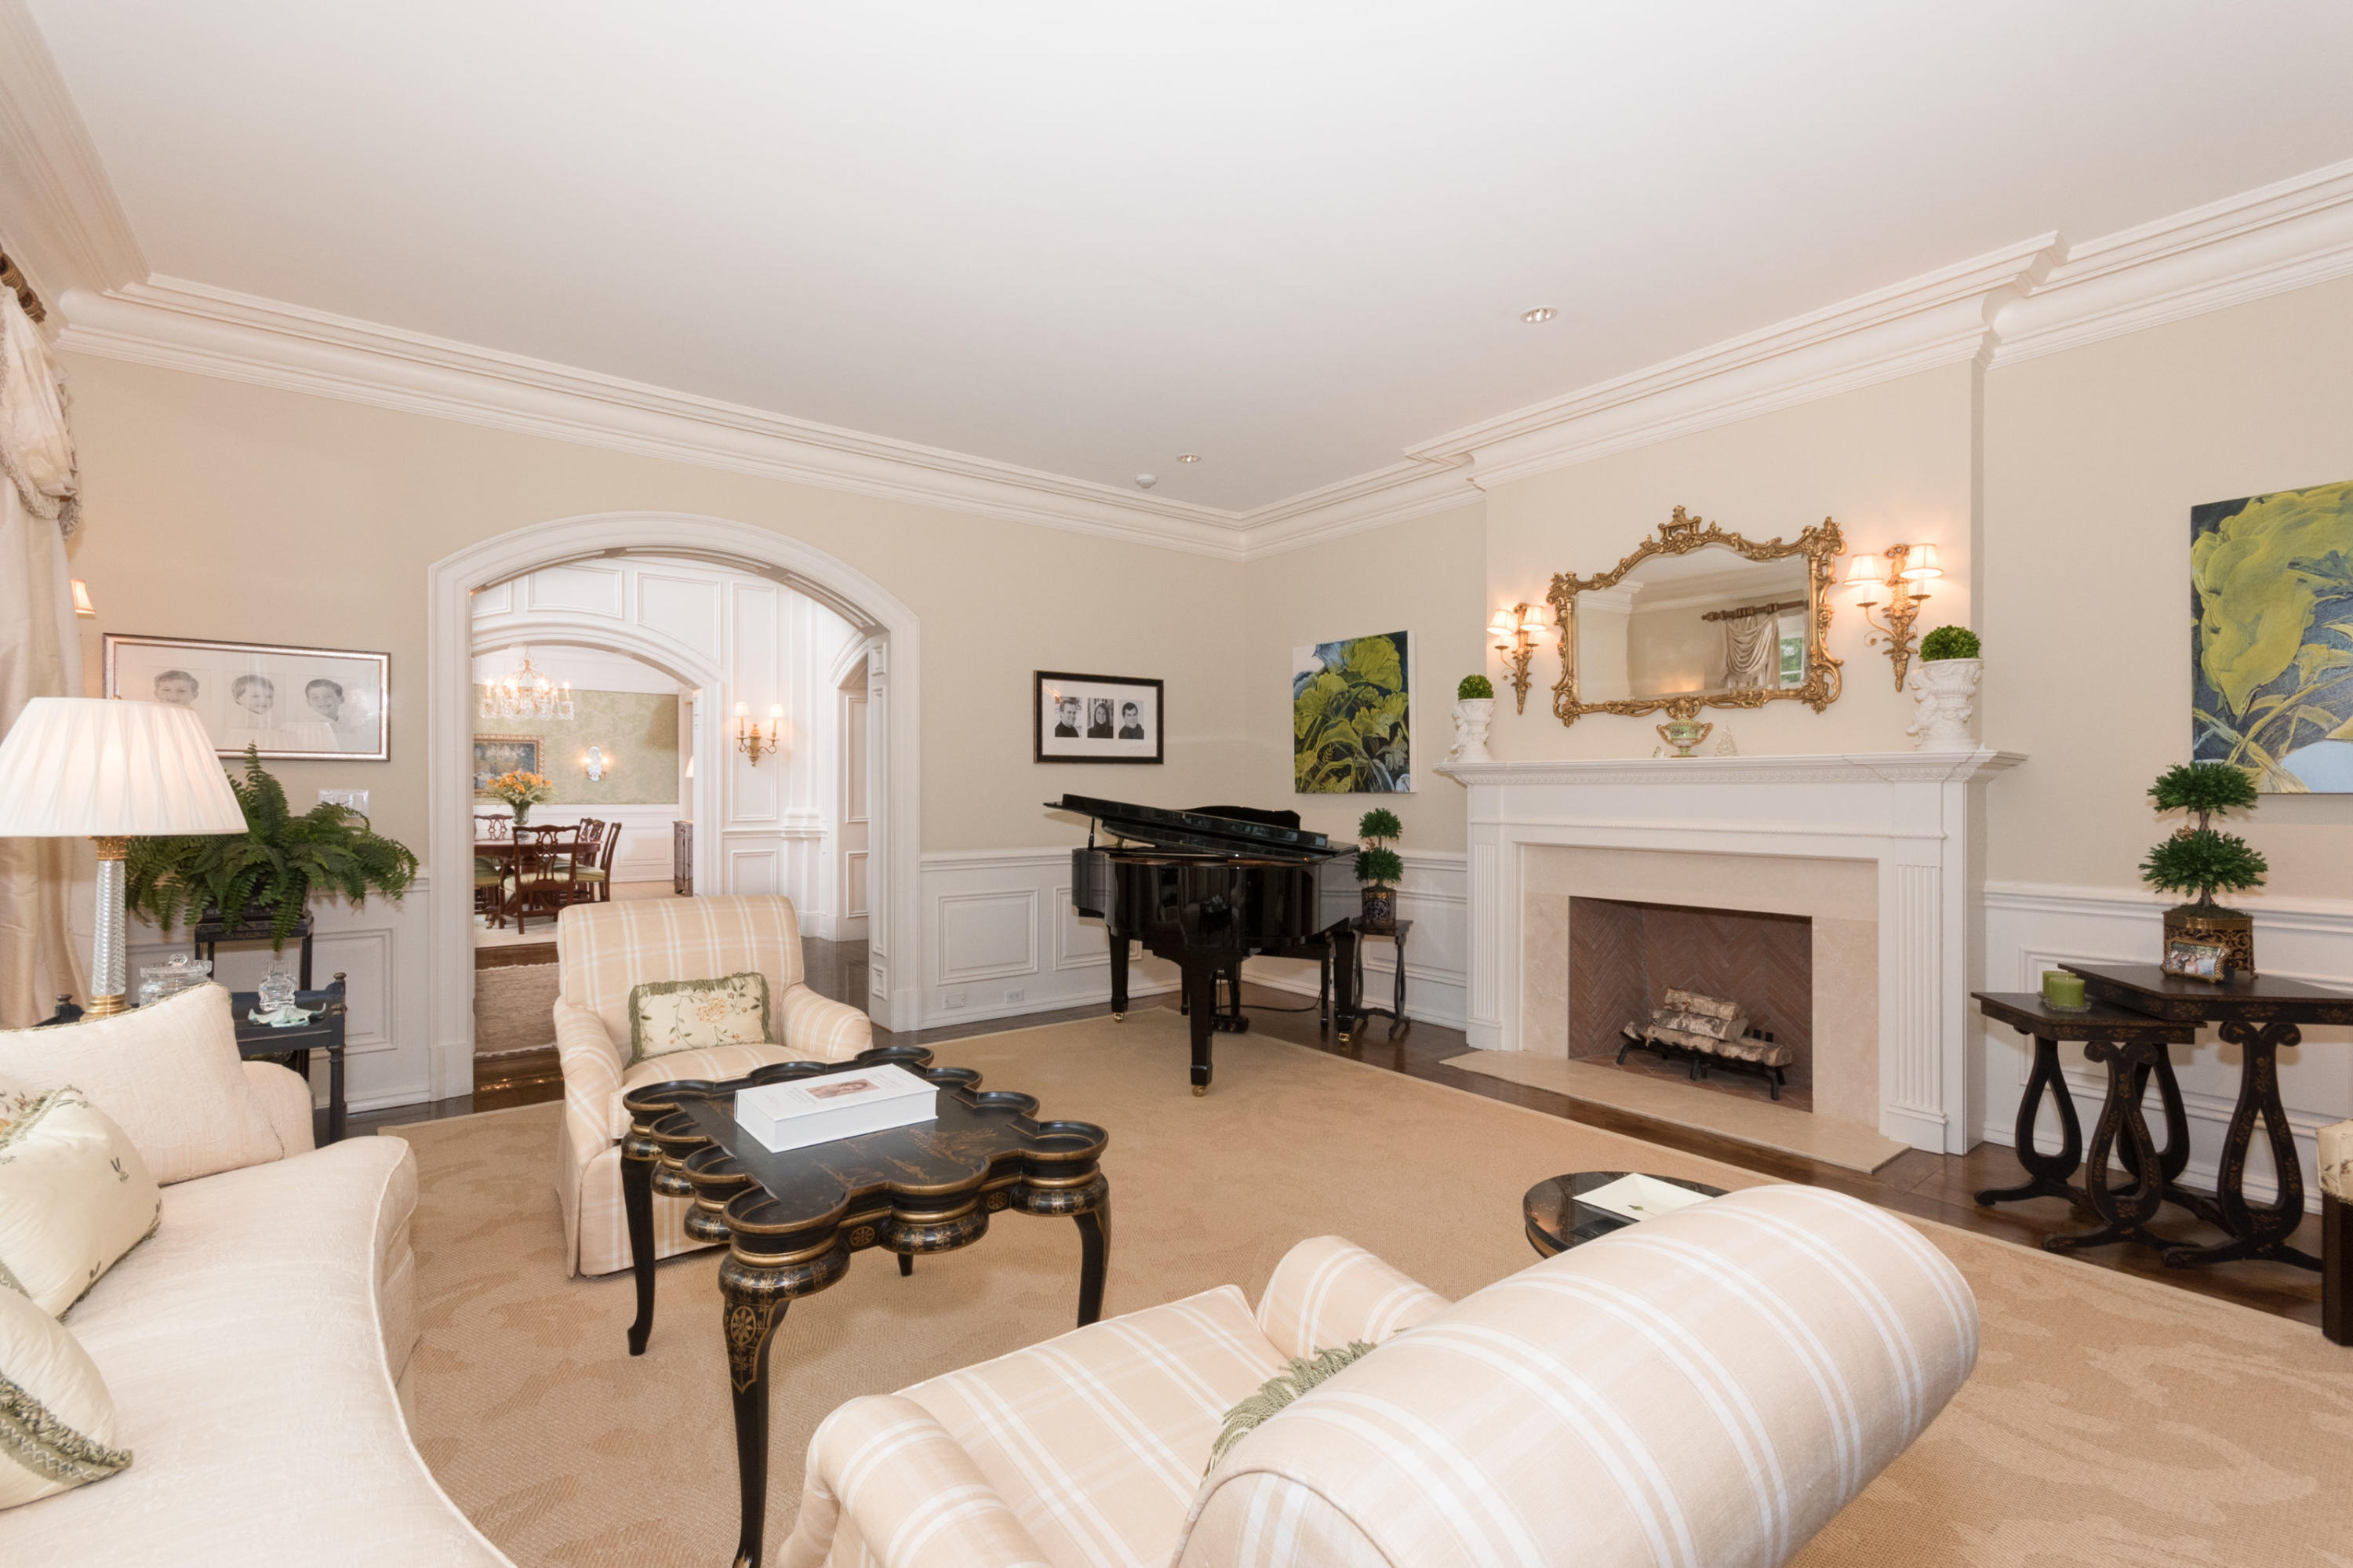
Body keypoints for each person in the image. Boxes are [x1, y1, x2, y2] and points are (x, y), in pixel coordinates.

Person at [304, 677, 377, 751]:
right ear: (309, 702)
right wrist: (351, 729)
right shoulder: (311, 726)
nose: (322, 700)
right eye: (315, 698)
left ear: (341, 700)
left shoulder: (343, 720)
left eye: (328, 696)